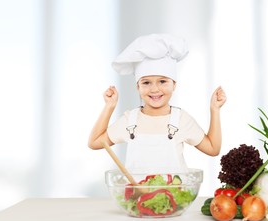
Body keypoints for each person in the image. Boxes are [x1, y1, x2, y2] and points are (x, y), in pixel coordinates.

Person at [88, 33, 226, 174]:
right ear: (138, 87)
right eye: (146, 82)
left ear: (174, 85)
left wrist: (214, 109)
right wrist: (109, 106)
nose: (154, 89)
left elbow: (213, 148)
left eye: (162, 81)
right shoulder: (129, 120)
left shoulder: (181, 120)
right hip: (137, 196)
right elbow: (94, 142)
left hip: (174, 195)